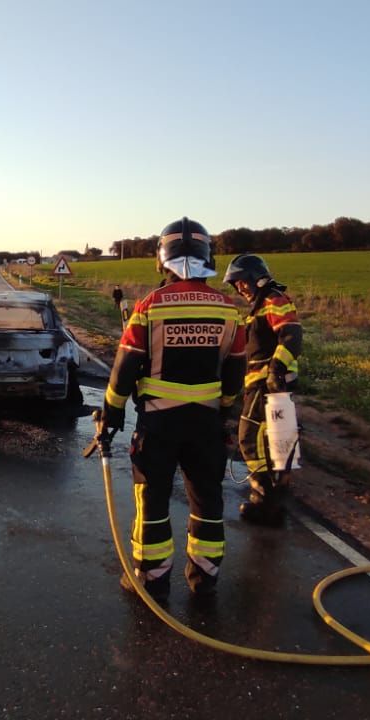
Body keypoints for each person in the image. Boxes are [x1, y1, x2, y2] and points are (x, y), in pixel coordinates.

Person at [99, 217, 245, 601]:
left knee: (153, 503)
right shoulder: (229, 310)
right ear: (207, 256)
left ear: (161, 259)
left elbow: (124, 369)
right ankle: (204, 578)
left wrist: (110, 416)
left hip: (159, 425)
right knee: (208, 501)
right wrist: (226, 413)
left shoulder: (149, 307)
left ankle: (151, 580)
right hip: (207, 425)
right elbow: (235, 371)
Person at [222, 254, 304, 527]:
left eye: (242, 282)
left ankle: (262, 498)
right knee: (278, 444)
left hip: (266, 384)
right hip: (269, 384)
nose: (239, 288)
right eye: (235, 285)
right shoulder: (260, 305)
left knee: (248, 439)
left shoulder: (273, 300)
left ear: (257, 277)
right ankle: (276, 501)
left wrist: (275, 369)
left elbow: (291, 334)